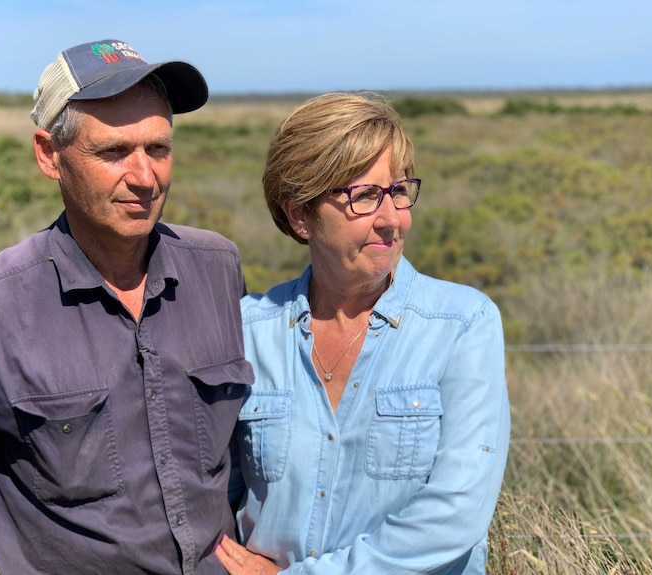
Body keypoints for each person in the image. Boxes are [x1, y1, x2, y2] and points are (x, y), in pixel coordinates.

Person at [0, 39, 253, 575]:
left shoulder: (216, 269)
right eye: (114, 151)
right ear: (49, 155)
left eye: (159, 149)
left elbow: (247, 444)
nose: (146, 177)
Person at [216, 92, 510, 574]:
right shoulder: (248, 329)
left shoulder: (462, 324)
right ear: (299, 215)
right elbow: (214, 492)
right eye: (365, 196)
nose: (392, 219)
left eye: (398, 191)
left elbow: (455, 515)